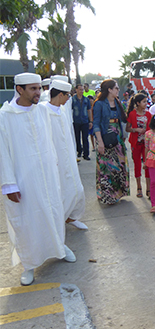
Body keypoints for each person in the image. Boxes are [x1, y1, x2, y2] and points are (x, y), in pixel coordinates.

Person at [0, 73, 76, 286]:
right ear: (19, 89)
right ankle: (29, 264)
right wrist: (8, 184)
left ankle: (60, 248)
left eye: (39, 88)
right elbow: (2, 153)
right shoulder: (5, 116)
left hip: (48, 175)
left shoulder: (41, 110)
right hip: (23, 179)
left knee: (53, 210)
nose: (38, 92)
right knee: (27, 220)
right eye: (32, 88)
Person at [45, 79, 88, 230]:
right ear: (60, 95)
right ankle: (58, 223)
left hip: (68, 156)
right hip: (55, 160)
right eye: (67, 95)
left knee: (76, 189)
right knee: (60, 191)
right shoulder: (44, 112)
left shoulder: (62, 110)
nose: (69, 99)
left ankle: (71, 217)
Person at [93, 79, 130, 205]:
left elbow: (122, 121)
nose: (118, 90)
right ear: (109, 89)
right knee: (106, 167)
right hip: (104, 137)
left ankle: (118, 193)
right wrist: (100, 142)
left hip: (118, 138)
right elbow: (96, 124)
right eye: (116, 88)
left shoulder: (117, 102)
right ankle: (107, 195)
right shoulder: (99, 104)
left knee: (119, 166)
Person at [126, 93, 152, 198]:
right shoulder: (132, 114)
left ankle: (149, 188)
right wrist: (135, 129)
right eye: (144, 102)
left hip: (146, 144)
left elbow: (150, 128)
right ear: (138, 103)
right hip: (136, 143)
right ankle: (139, 187)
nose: (146, 104)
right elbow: (127, 128)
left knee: (147, 165)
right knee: (137, 165)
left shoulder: (148, 114)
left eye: (146, 101)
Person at [72, 84, 93, 160]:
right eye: (80, 89)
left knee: (85, 138)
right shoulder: (72, 99)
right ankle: (79, 151)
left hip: (85, 121)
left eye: (82, 90)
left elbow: (89, 110)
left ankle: (86, 154)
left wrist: (90, 121)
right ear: (76, 90)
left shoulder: (86, 100)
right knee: (77, 138)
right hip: (76, 121)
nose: (81, 91)